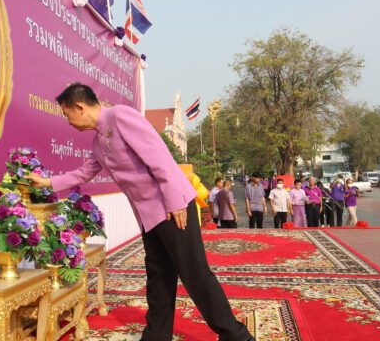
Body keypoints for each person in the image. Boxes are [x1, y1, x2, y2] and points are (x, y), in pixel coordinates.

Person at [25, 84, 253, 341]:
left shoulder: (120, 116)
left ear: (79, 107)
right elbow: (83, 173)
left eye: (67, 114)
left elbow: (159, 156)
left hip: (171, 207)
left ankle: (237, 336)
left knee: (194, 273)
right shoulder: (98, 142)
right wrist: (46, 182)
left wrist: (175, 202)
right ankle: (156, 336)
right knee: (158, 274)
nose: (68, 121)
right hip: (149, 216)